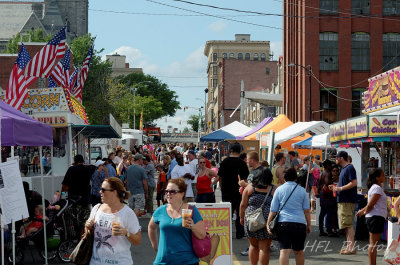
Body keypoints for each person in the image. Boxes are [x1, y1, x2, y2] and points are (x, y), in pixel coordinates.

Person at [148, 178, 206, 265]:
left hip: (187, 261)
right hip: (163, 261)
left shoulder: (191, 210)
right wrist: (155, 246)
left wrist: (193, 226)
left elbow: (202, 235)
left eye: (172, 192)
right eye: (166, 191)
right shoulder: (160, 210)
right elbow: (151, 227)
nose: (168, 194)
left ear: (182, 193)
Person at [85, 177, 141, 264]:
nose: (100, 192)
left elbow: (138, 240)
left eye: (103, 190)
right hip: (95, 262)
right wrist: (88, 226)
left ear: (114, 192)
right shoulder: (96, 208)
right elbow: (87, 232)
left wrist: (126, 233)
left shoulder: (128, 213)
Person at [267, 168, 311, 265]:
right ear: (296, 177)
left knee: (284, 251)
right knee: (299, 251)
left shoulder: (279, 189)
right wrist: (309, 224)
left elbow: (273, 210)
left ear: (284, 177)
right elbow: (307, 211)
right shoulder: (302, 191)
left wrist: (268, 223)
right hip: (300, 223)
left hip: (283, 223)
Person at [240, 168, 276, 265]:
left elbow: (243, 205)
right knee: (264, 248)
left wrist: (241, 217)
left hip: (251, 219)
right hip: (267, 220)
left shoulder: (250, 187)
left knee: (253, 246)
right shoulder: (273, 189)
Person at [218, 143, 249, 239]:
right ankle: (239, 233)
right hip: (239, 191)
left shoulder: (224, 162)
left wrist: (221, 188)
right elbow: (246, 179)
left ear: (230, 150)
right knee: (240, 212)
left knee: (227, 213)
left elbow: (220, 177)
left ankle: (225, 233)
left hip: (226, 191)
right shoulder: (242, 163)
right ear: (240, 151)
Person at [356, 168, 387, 265]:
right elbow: (371, 204)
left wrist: (362, 211)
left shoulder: (376, 188)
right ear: (377, 178)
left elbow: (370, 205)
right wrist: (364, 211)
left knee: (373, 244)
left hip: (375, 217)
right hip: (375, 218)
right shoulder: (377, 188)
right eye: (382, 175)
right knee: (373, 244)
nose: (384, 176)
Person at [331, 151, 358, 255]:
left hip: (347, 200)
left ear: (341, 158)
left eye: (336, 157)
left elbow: (354, 182)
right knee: (346, 224)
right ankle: (349, 247)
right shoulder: (344, 169)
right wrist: (337, 187)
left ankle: (351, 248)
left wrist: (340, 188)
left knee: (348, 224)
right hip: (344, 200)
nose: (336, 159)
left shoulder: (349, 168)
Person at [62, 154, 96, 233]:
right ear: (83, 161)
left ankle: (78, 239)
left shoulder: (71, 169)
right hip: (86, 200)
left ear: (74, 161)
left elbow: (65, 187)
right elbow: (94, 166)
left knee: (75, 223)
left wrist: (62, 198)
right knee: (85, 223)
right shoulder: (89, 169)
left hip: (74, 201)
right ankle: (84, 239)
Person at [316, 159, 337, 237]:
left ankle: (321, 230)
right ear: (328, 166)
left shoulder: (322, 173)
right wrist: (333, 180)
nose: (331, 166)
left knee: (322, 213)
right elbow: (327, 183)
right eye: (330, 165)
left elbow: (318, 184)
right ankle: (329, 231)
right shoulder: (327, 173)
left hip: (322, 195)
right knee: (329, 213)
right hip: (327, 196)